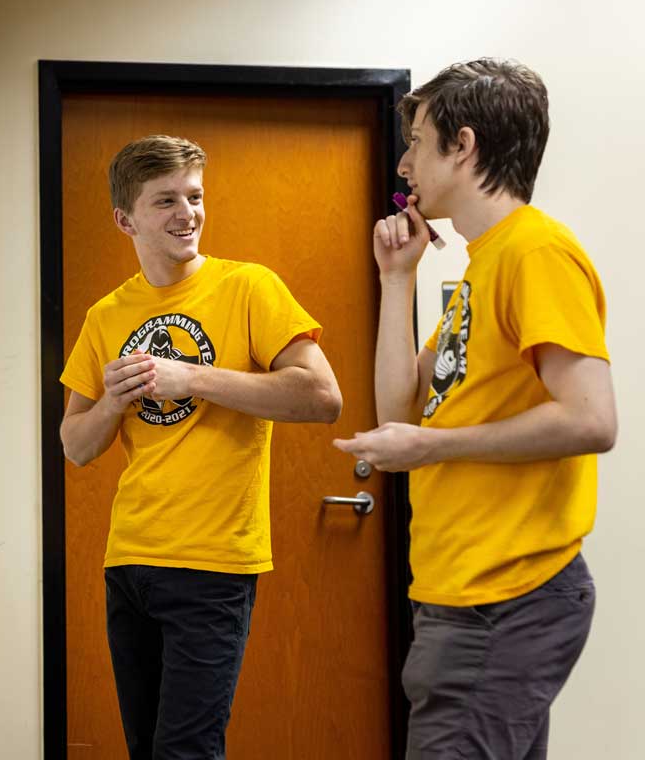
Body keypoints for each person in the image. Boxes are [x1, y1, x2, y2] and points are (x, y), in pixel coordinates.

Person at [334, 59, 617, 759]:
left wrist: (431, 448)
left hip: (507, 600)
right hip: (463, 598)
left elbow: (590, 419)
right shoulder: (482, 265)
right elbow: (400, 412)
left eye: (417, 142)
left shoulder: (536, 253)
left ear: (462, 146)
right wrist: (397, 283)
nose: (404, 164)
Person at [59, 135, 342, 759]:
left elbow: (322, 397)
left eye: (194, 196)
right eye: (165, 201)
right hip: (129, 564)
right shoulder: (105, 316)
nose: (187, 213)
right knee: (148, 751)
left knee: (186, 752)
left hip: (213, 564)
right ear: (124, 219)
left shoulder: (249, 288)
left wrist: (194, 379)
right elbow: (75, 446)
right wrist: (111, 401)